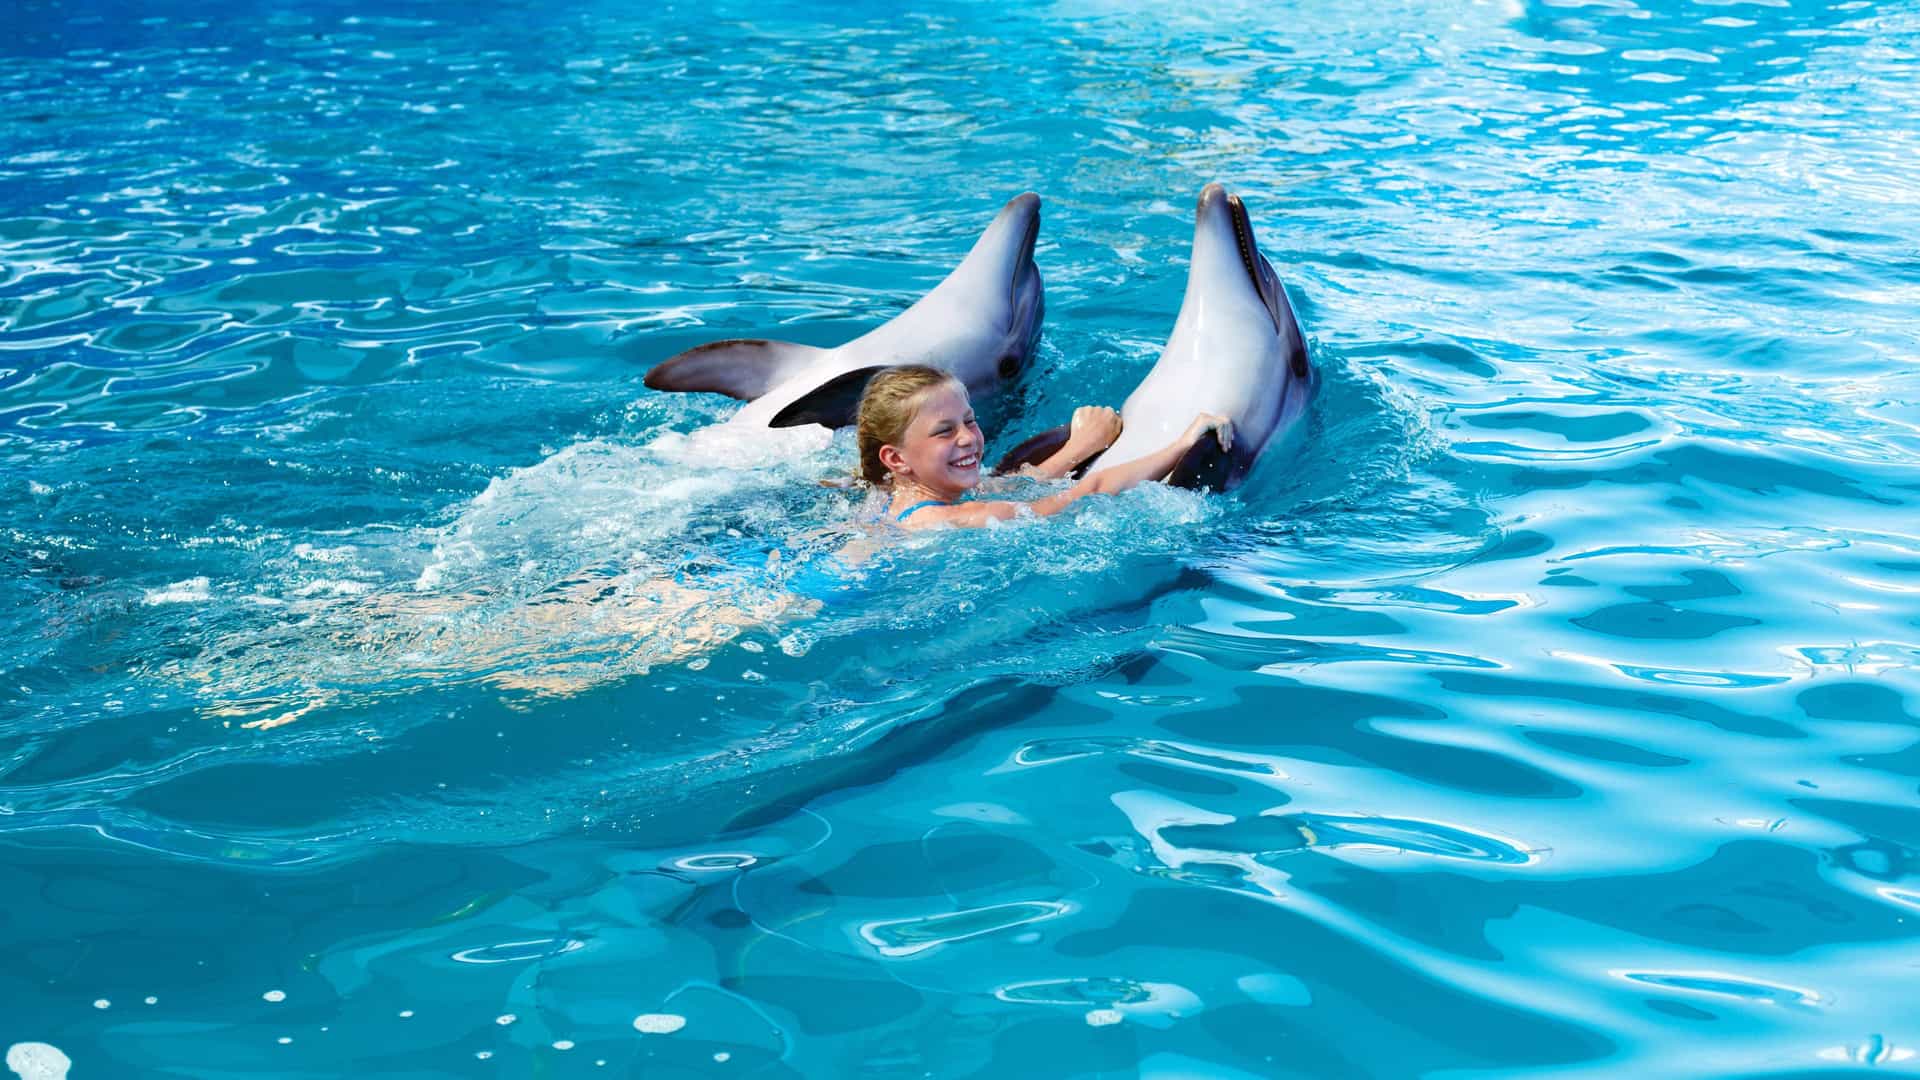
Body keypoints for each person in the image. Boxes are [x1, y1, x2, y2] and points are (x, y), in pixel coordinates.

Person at [855, 365, 1231, 529]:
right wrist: (1183, 443)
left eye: (970, 421)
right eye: (944, 432)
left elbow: (1019, 482)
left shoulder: (891, 497)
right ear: (896, 458)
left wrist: (1081, 446)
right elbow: (1092, 491)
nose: (968, 437)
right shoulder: (955, 520)